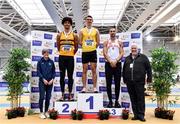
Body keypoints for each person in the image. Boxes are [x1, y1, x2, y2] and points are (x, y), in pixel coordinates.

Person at [123, 43, 152, 122]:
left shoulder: (143, 57)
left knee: (140, 99)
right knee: (133, 99)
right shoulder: (127, 58)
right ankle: (136, 115)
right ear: (130, 49)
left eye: (135, 48)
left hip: (140, 82)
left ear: (138, 49)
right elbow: (124, 69)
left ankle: (141, 115)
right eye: (132, 48)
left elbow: (149, 68)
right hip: (129, 83)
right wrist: (124, 79)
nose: (133, 50)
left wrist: (149, 78)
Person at [56, 17, 78, 101]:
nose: (67, 24)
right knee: (62, 77)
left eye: (68, 23)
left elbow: (76, 47)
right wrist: (63, 52)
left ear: (70, 24)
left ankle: (70, 95)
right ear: (63, 24)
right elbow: (58, 46)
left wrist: (71, 53)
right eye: (65, 23)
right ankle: (62, 94)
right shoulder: (59, 35)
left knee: (70, 76)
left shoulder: (74, 35)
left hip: (70, 58)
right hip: (62, 57)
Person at [103, 28, 124, 108]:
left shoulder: (119, 42)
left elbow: (122, 53)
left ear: (116, 32)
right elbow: (104, 53)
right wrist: (110, 61)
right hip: (108, 64)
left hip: (117, 64)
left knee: (117, 83)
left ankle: (116, 101)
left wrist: (115, 60)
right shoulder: (106, 42)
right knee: (108, 84)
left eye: (114, 31)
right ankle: (110, 102)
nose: (112, 32)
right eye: (111, 31)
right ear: (109, 32)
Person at [79, 15, 100, 93]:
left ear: (92, 21)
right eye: (87, 19)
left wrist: (92, 46)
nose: (89, 21)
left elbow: (98, 42)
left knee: (93, 69)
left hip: (92, 52)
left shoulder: (96, 30)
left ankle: (94, 87)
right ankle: (84, 87)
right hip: (85, 52)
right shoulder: (82, 30)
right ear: (85, 21)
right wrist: (85, 45)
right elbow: (79, 41)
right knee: (84, 70)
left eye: (90, 19)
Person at [37, 49, 55, 119]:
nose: (47, 54)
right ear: (43, 53)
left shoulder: (51, 62)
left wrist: (52, 79)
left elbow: (54, 72)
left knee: (48, 98)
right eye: (45, 53)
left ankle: (46, 111)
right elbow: (38, 72)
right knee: (42, 97)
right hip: (42, 82)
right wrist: (43, 79)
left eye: (48, 53)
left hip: (50, 82)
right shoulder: (40, 62)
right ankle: (41, 112)